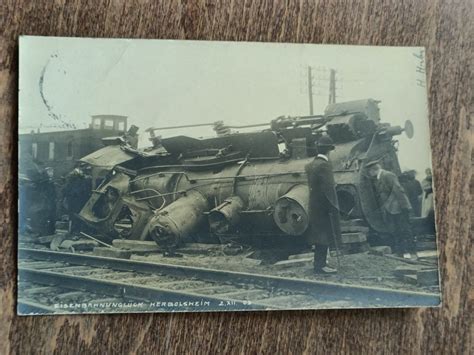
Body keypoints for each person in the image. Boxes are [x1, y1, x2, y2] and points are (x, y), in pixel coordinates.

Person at [305, 135, 341, 274]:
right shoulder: (324, 165)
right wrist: (334, 207)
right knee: (325, 235)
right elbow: (329, 189)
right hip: (325, 207)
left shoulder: (310, 165)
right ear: (328, 151)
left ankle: (319, 263)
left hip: (315, 206)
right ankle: (320, 266)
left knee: (319, 234)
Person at [365, 160, 416, 258]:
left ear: (373, 170)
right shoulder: (378, 178)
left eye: (369, 172)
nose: (369, 174)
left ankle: (413, 253)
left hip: (398, 208)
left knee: (405, 230)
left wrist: (405, 207)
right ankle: (399, 252)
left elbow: (398, 190)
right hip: (390, 209)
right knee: (395, 231)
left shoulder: (388, 175)